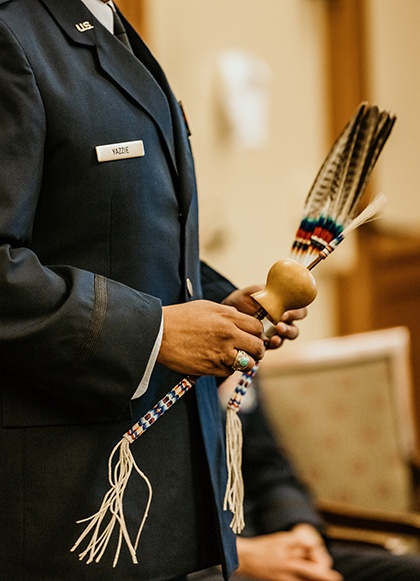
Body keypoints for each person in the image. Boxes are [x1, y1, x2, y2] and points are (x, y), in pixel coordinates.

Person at [0, 1, 298, 580]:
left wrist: (222, 303)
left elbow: (122, 236)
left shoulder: (109, 26)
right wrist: (155, 332)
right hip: (74, 504)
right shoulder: (14, 35)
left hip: (173, 495)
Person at [189, 377, 420, 581]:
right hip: (201, 563)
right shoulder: (158, 363)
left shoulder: (241, 363)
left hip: (274, 541)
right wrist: (237, 554)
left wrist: (302, 531)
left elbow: (270, 470)